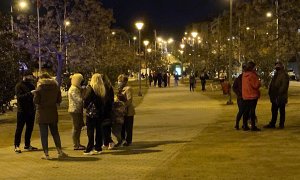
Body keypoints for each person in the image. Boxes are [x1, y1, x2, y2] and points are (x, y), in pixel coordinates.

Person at [33, 73, 68, 160]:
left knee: (44, 134)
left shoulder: (39, 88)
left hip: (42, 113)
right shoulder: (55, 87)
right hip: (52, 112)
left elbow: (36, 101)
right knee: (55, 133)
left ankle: (46, 154)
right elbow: (59, 100)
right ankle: (60, 151)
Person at [14, 71, 38, 153]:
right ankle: (16, 145)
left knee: (29, 128)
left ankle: (27, 144)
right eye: (30, 76)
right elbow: (19, 97)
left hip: (31, 110)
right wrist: (30, 94)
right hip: (22, 111)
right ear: (25, 76)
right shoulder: (19, 85)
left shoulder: (31, 85)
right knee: (19, 128)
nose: (31, 77)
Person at [83, 73, 106, 155]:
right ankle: (98, 147)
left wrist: (85, 106)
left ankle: (90, 148)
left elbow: (86, 99)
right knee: (99, 130)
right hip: (99, 112)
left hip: (91, 112)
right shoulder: (102, 88)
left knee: (90, 130)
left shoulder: (91, 88)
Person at [264, 61, 289, 129]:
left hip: (280, 96)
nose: (276, 67)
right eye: (276, 65)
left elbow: (284, 86)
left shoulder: (284, 75)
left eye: (278, 65)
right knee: (274, 110)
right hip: (274, 96)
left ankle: (281, 124)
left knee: (281, 111)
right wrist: (270, 92)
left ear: (281, 66)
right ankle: (272, 123)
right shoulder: (276, 74)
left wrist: (278, 93)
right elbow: (272, 84)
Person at [68, 73, 86, 150]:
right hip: (74, 110)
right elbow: (78, 100)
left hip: (77, 109)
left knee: (78, 127)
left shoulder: (76, 88)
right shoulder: (73, 89)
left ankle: (77, 143)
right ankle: (76, 144)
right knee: (76, 127)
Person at [242, 61, 261, 131]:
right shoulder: (252, 75)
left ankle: (245, 125)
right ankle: (253, 126)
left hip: (246, 95)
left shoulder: (244, 74)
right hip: (252, 95)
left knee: (246, 111)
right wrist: (259, 82)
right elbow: (255, 85)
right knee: (252, 111)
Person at [118, 74, 135, 146]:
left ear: (124, 81)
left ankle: (129, 140)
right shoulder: (120, 89)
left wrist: (123, 106)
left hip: (128, 111)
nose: (119, 82)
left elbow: (129, 100)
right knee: (122, 127)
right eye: (118, 81)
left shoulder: (128, 89)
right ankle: (122, 140)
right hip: (122, 111)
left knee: (128, 127)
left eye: (120, 81)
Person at [102, 74, 115, 150]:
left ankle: (109, 141)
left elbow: (108, 99)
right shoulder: (108, 87)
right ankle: (106, 141)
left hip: (106, 109)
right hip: (107, 108)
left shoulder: (106, 87)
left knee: (105, 126)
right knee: (104, 126)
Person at [232, 64, 247, 130]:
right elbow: (234, 87)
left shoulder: (247, 77)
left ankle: (244, 124)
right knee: (241, 111)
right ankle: (237, 124)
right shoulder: (239, 78)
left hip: (247, 97)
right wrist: (239, 93)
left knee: (246, 111)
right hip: (241, 97)